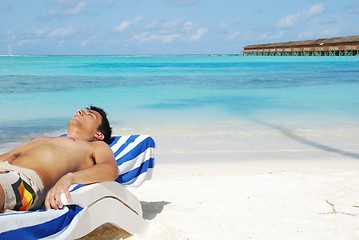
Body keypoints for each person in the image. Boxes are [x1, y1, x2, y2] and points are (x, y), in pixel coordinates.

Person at [0, 106, 118, 212]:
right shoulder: (39, 140)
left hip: (24, 181)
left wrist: (69, 178)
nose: (79, 111)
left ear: (98, 134)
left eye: (89, 115)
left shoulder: (95, 146)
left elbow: (110, 170)